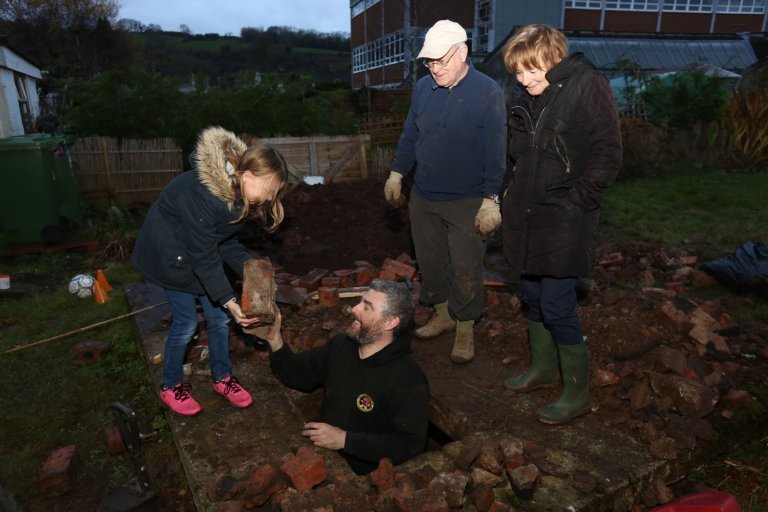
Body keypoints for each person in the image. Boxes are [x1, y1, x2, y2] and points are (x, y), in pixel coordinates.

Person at [500, 25, 623, 424]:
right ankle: (543, 369)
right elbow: (517, 156)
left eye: (532, 69)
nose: (525, 79)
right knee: (533, 297)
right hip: (526, 215)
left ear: (554, 57)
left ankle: (576, 390)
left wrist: (578, 201)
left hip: (565, 217)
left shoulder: (589, 85)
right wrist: (505, 196)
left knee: (556, 304)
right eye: (518, 73)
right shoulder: (527, 99)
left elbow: (609, 151)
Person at [132, 126, 289, 416]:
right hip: (170, 255)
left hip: (195, 249)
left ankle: (222, 378)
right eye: (268, 191)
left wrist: (256, 271)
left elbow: (223, 242)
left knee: (217, 320)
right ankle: (170, 384)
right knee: (187, 323)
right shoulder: (204, 195)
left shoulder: (239, 195)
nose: (269, 199)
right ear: (248, 176)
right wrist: (230, 301)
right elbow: (204, 257)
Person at [384, 20, 507, 364]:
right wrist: (397, 173)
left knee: (467, 267)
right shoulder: (424, 88)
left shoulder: (488, 92)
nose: (435, 68)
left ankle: (465, 326)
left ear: (463, 52)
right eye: (430, 62)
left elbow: (496, 150)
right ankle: (442, 313)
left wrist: (491, 199)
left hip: (468, 199)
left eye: (442, 61)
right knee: (431, 262)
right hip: (424, 196)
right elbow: (411, 135)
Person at [255, 279, 430, 475]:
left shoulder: (409, 380)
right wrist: (274, 339)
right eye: (360, 302)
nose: (354, 309)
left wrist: (344, 440)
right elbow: (299, 374)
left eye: (367, 307)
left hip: (365, 475)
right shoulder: (342, 345)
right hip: (322, 456)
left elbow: (408, 446)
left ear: (390, 322)